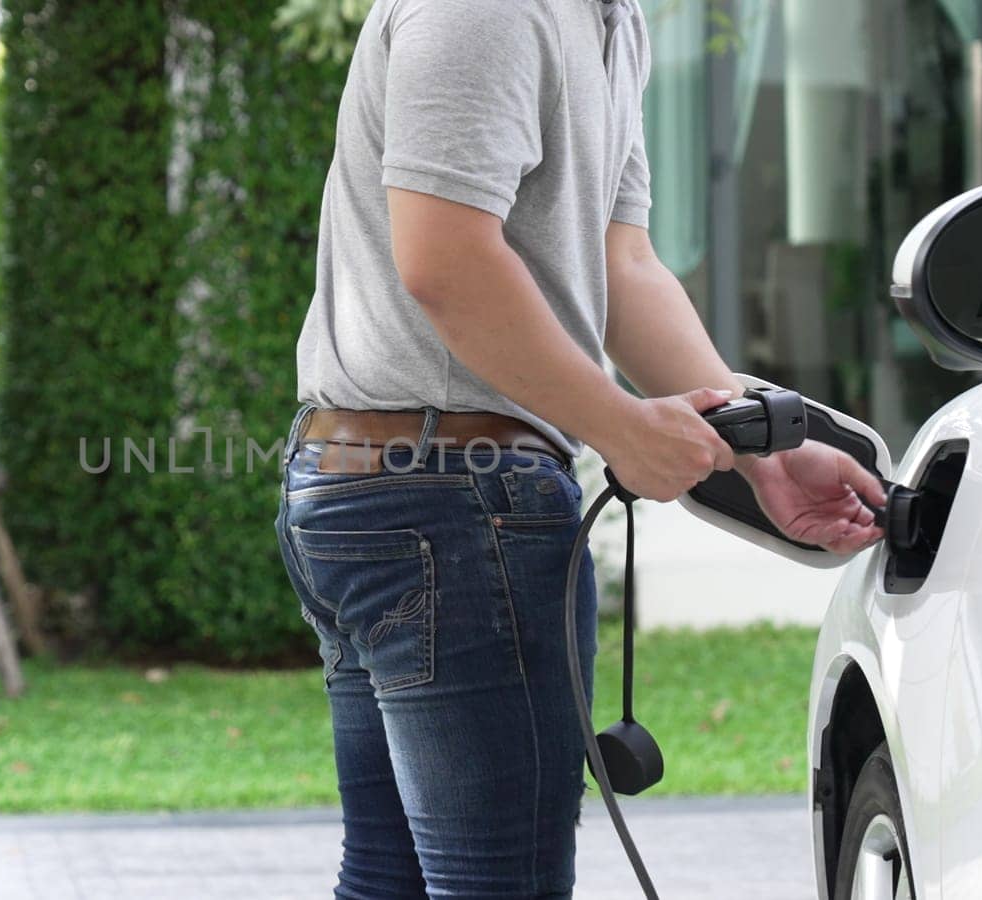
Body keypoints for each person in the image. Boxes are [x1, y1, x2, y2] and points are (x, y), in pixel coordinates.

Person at [274, 0, 889, 897]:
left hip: (409, 490)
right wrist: (619, 425)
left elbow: (622, 265)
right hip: (451, 502)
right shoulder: (490, 9)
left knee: (392, 881)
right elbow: (444, 258)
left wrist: (760, 441)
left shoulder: (611, 21)